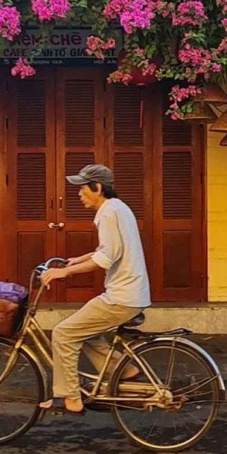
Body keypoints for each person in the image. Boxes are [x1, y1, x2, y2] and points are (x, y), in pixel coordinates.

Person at [38, 164, 150, 414]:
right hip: (129, 293)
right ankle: (123, 369)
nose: (79, 193)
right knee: (84, 331)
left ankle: (69, 398)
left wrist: (64, 272)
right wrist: (78, 259)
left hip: (122, 296)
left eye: (82, 188)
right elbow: (109, 249)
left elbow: (107, 258)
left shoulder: (108, 213)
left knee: (63, 333)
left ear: (97, 188)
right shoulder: (118, 208)